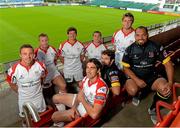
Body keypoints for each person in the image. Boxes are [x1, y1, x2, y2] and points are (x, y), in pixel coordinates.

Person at [121, 26, 174, 124]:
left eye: (143, 35)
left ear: (148, 35)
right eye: (138, 35)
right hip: (135, 76)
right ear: (135, 36)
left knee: (166, 90)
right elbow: (125, 68)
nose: (140, 37)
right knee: (132, 90)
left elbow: (168, 64)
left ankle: (153, 108)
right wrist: (137, 80)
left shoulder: (156, 46)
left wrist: (170, 82)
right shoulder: (129, 49)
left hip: (152, 76)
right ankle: (139, 94)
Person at [51, 58, 109, 126]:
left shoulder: (101, 87)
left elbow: (94, 115)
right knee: (55, 98)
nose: (88, 70)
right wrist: (74, 108)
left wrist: (82, 100)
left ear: (98, 70)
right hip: (82, 102)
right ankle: (64, 120)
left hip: (88, 111)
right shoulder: (86, 78)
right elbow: (80, 95)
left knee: (54, 117)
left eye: (92, 68)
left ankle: (66, 120)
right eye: (87, 67)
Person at [6, 44, 47, 122]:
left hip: (39, 98)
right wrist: (22, 92)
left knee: (42, 119)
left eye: (30, 53)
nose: (28, 57)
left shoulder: (41, 66)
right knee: (26, 120)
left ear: (34, 55)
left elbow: (43, 78)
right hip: (24, 100)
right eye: (25, 54)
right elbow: (12, 84)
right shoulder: (13, 70)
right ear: (20, 55)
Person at [34, 33, 66, 106]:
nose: (45, 42)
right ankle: (48, 105)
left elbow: (57, 57)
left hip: (53, 71)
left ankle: (63, 103)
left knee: (63, 86)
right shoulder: (36, 52)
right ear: (39, 41)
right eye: (42, 41)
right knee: (47, 94)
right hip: (44, 75)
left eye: (46, 40)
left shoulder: (52, 48)